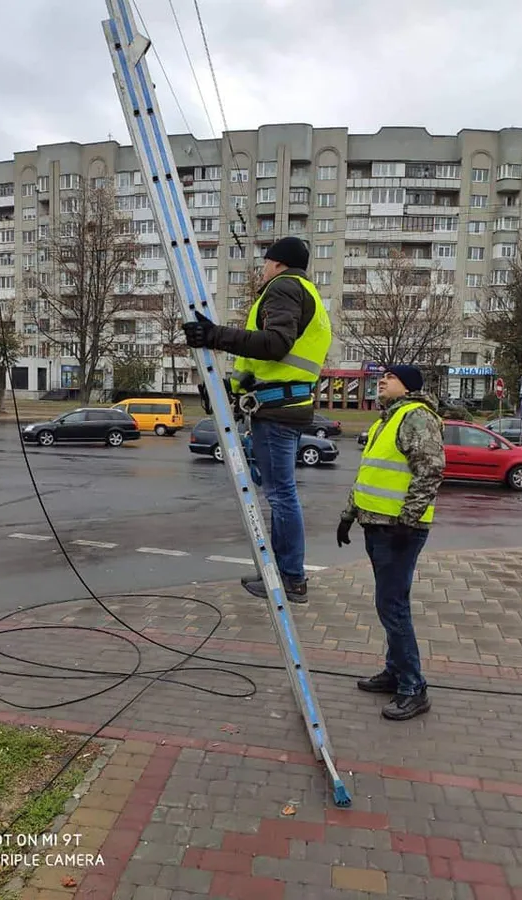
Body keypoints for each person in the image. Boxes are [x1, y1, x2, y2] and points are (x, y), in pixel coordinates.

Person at [183, 235, 331, 603]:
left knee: (281, 495)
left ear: (277, 262)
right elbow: (262, 365)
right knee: (277, 488)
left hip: (277, 410)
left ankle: (291, 578)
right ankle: (289, 574)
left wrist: (215, 336)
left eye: (265, 261)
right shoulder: (306, 292)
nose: (262, 268)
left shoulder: (283, 287)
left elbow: (275, 344)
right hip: (286, 405)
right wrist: (225, 389)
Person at [336, 365, 445, 721]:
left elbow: (430, 470)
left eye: (391, 377)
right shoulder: (388, 419)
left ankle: (413, 686)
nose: (382, 380)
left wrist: (408, 522)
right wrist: (349, 514)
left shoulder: (416, 416)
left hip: (399, 530)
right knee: (391, 603)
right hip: (379, 526)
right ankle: (395, 672)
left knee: (393, 606)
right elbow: (370, 471)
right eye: (382, 376)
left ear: (408, 387)